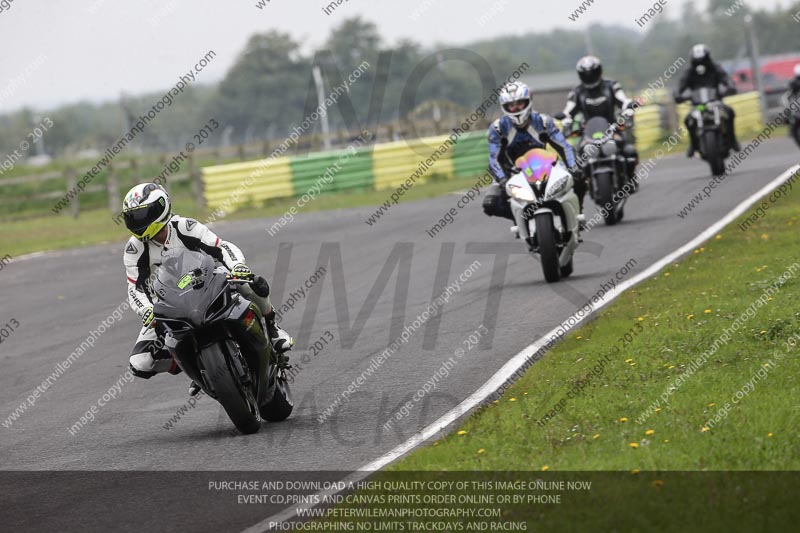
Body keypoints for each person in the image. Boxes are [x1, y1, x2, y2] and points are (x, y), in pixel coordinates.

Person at [122, 183, 293, 394]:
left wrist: (237, 266)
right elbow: (135, 288)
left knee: (249, 284)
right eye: (132, 217)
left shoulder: (184, 226)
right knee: (140, 362)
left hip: (207, 282)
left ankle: (273, 328)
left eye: (141, 215)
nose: (137, 222)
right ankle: (198, 368)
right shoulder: (134, 249)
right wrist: (147, 310)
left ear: (161, 208)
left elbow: (221, 246)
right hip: (167, 304)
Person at [483, 82, 582, 220]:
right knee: (490, 204)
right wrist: (503, 179)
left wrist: (572, 166)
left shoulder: (543, 121)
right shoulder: (498, 128)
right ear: (504, 107)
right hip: (511, 172)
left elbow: (564, 146)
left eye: (519, 103)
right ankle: (521, 218)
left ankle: (576, 214)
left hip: (546, 166)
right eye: (511, 105)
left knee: (579, 177)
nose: (516, 108)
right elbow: (494, 158)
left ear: (528, 102)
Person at [561, 55, 639, 186]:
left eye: (592, 73)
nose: (590, 77)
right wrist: (566, 120)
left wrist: (628, 107)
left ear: (599, 71)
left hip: (612, 128)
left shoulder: (612, 85)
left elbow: (623, 100)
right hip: (588, 132)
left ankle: (630, 178)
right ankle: (585, 183)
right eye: (586, 74)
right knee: (579, 155)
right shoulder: (576, 92)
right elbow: (569, 110)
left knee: (628, 150)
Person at [675, 44, 741, 157]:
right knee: (688, 120)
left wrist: (730, 86)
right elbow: (681, 85)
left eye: (703, 60)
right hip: (698, 105)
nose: (700, 64)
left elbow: (725, 78)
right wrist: (678, 95)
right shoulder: (689, 71)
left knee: (730, 112)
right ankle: (693, 145)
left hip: (715, 102)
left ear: (708, 58)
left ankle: (732, 140)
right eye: (697, 61)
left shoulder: (715, 67)